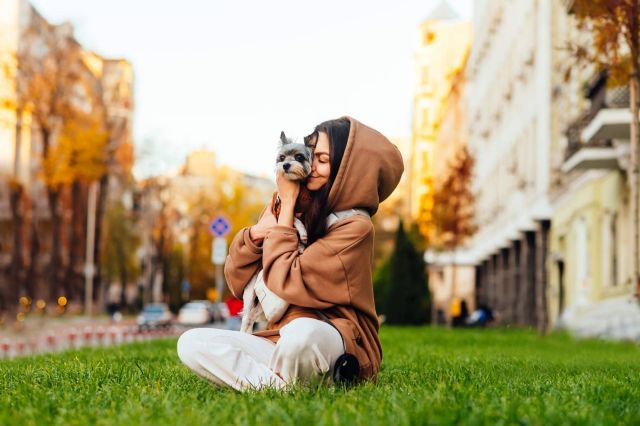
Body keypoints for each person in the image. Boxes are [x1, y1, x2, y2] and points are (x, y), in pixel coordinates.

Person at [177, 117, 404, 391]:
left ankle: (262, 381)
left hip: (333, 338)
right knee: (191, 343)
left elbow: (287, 280)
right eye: (312, 154)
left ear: (347, 169)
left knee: (301, 335)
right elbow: (237, 280)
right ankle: (282, 388)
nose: (312, 166)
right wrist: (256, 233)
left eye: (321, 159)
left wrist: (285, 212)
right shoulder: (291, 204)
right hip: (278, 339)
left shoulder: (354, 226)